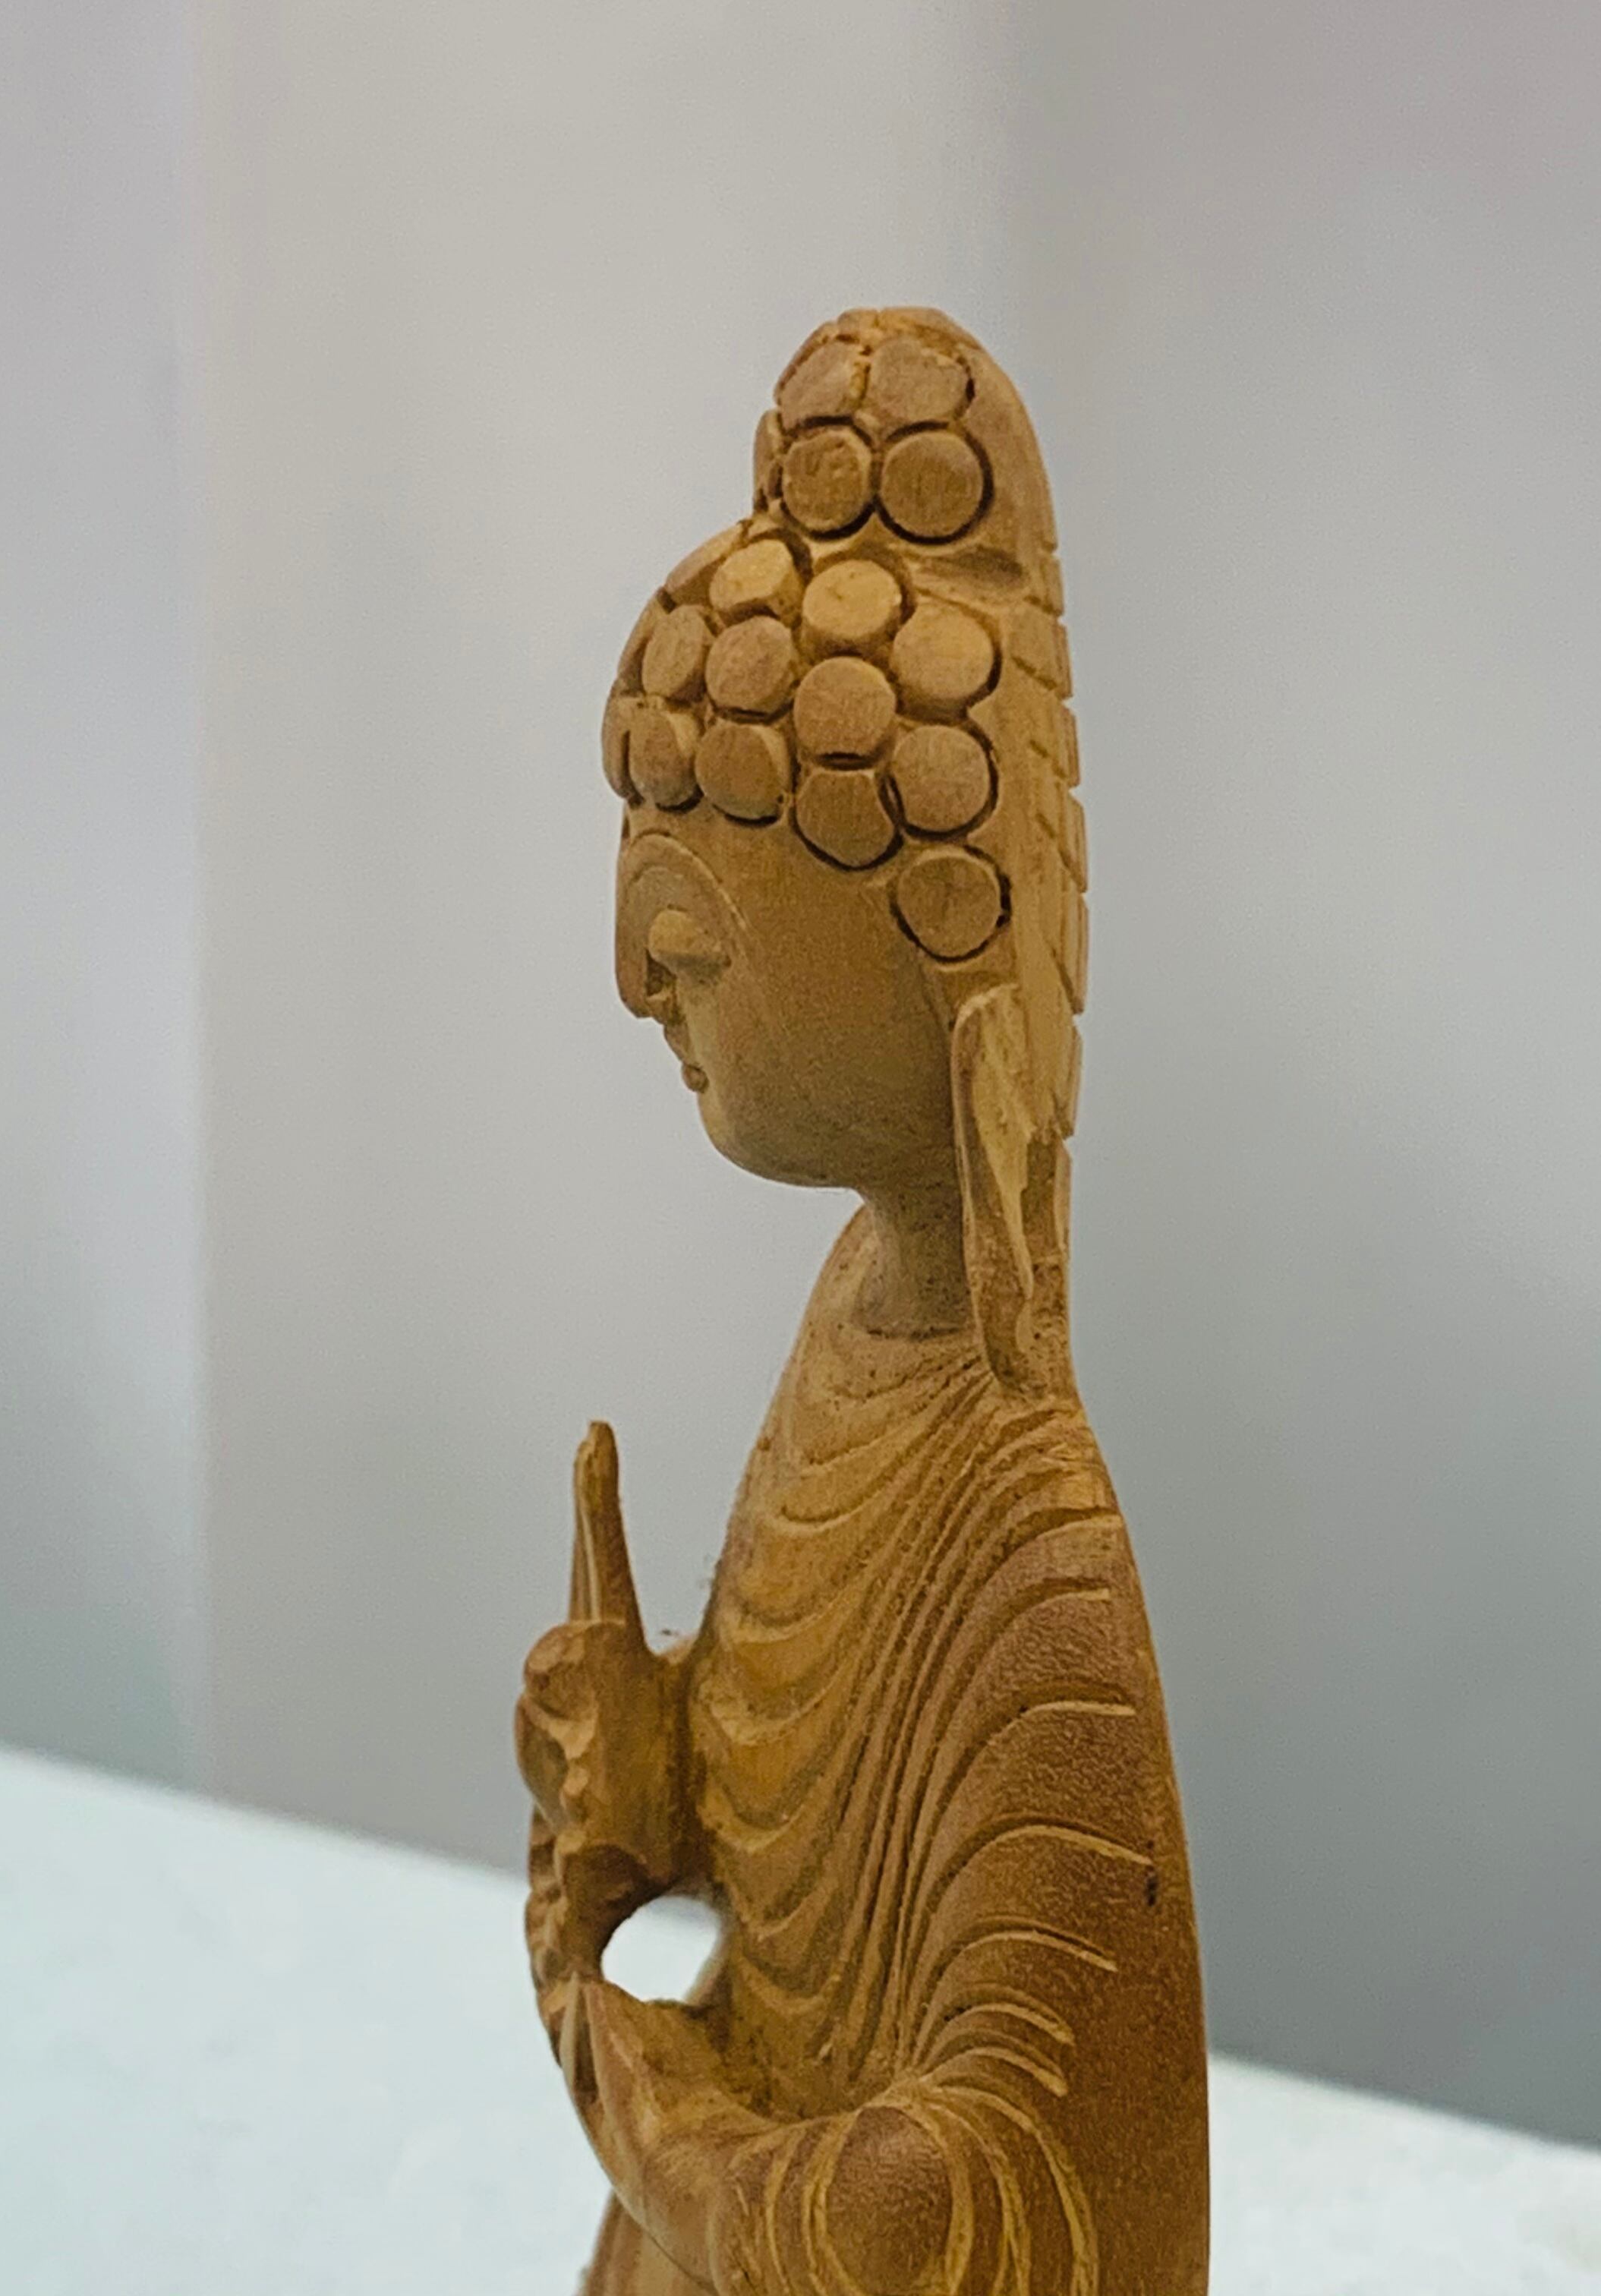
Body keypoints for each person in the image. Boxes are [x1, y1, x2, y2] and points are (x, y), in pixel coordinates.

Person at [515, 309, 1207, 2296]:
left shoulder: (1035, 1553)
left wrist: (679, 2142)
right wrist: (657, 1765)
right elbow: (796, 1864)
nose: (637, 985)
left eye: (693, 932)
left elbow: (978, 2187)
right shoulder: (858, 1330)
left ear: (931, 954)